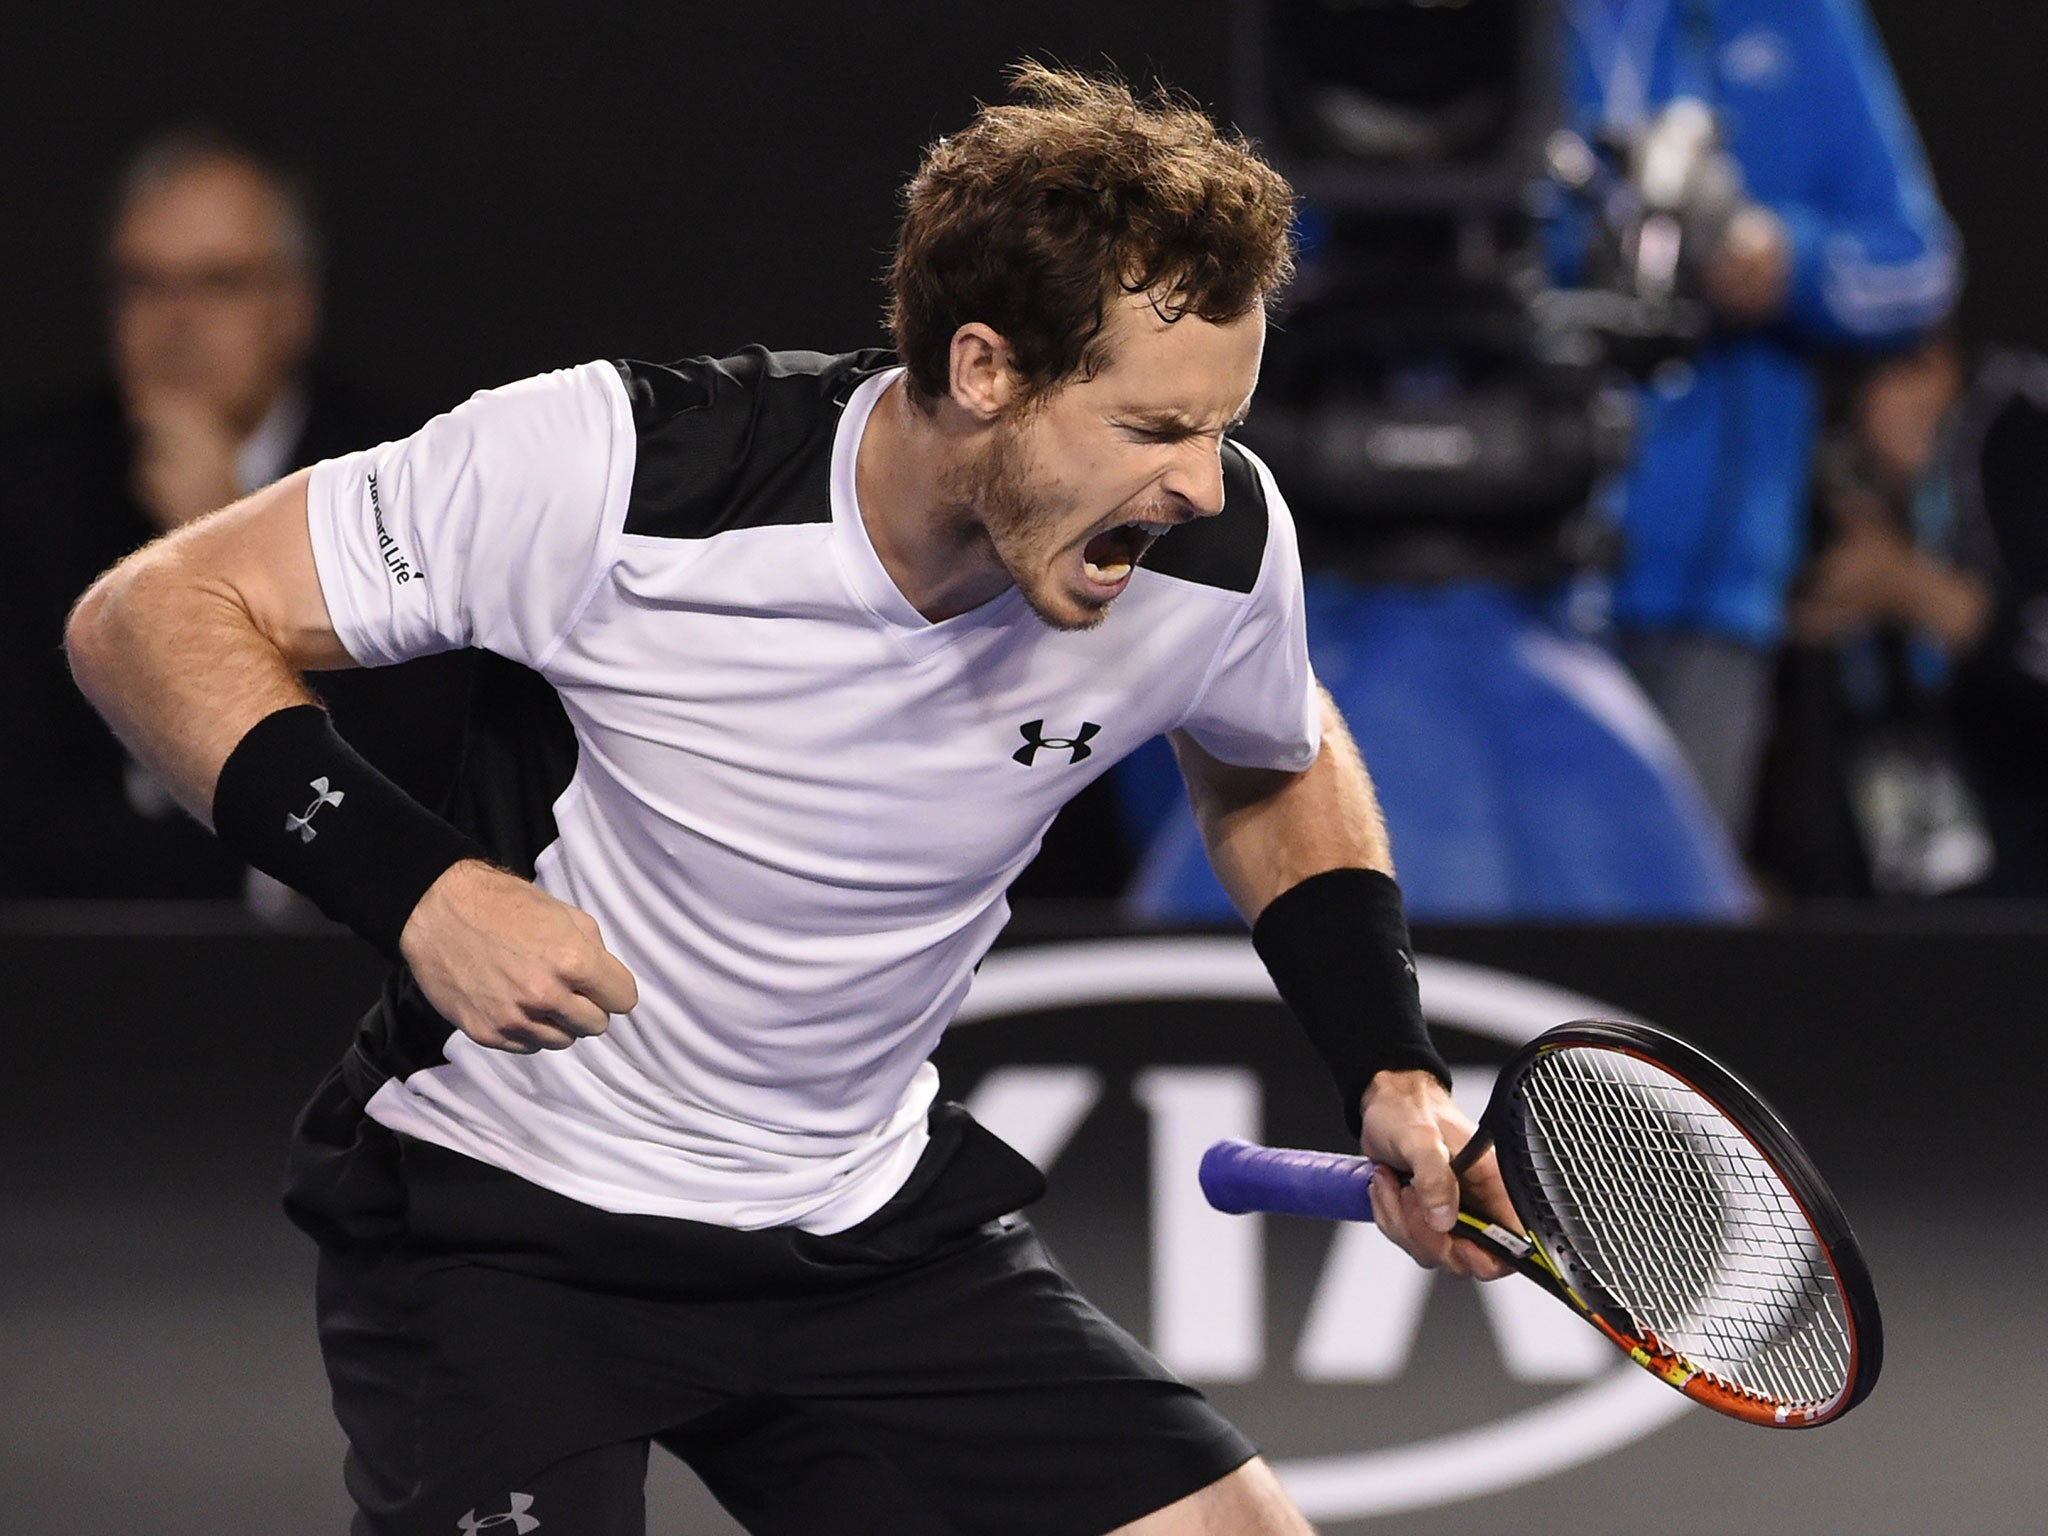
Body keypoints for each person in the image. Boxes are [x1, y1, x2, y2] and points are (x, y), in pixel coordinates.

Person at [66, 66, 1514, 1534]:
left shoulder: (1209, 548)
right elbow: (150, 618)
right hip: (507, 1224)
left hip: (858, 1230)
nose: (1206, 485)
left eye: (1223, 427)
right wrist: (422, 891)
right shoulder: (624, 472)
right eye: (1154, 432)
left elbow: (1271, 758)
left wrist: (1387, 1064)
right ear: (986, 370)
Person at [0, 127, 466, 898]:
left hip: (342, 965)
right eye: (144, 284)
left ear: (293, 304)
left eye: (218, 283)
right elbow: (23, 812)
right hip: (83, 958)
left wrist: (222, 541)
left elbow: (412, 782)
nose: (176, 320)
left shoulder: (400, 482)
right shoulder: (29, 487)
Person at [1553, 0, 1959, 845]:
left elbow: (1918, 266)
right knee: (1479, 940)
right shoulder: (1453, 18)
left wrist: (1785, 262)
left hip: (1703, 594)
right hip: (1470, 566)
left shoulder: (1798, 16)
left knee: (1663, 954)